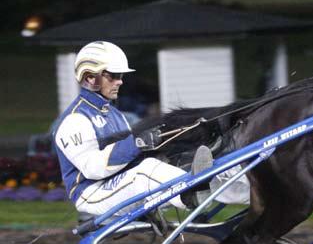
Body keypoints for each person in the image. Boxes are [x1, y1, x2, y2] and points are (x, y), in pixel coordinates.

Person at [53, 40, 211, 217]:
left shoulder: (116, 115)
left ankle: (217, 185)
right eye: (113, 75)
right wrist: (137, 143)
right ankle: (190, 195)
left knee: (165, 161)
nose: (119, 81)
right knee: (146, 171)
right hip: (91, 193)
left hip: (115, 185)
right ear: (90, 77)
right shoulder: (75, 120)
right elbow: (94, 168)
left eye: (121, 75)